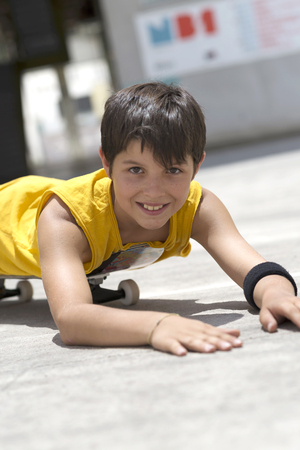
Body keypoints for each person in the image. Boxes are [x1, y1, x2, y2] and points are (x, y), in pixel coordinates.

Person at [0, 82, 299, 357]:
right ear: (106, 163)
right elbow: (72, 319)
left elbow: (254, 269)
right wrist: (156, 325)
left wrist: (276, 293)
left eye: (172, 170)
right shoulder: (66, 217)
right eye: (135, 170)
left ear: (196, 167)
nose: (153, 192)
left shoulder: (198, 208)